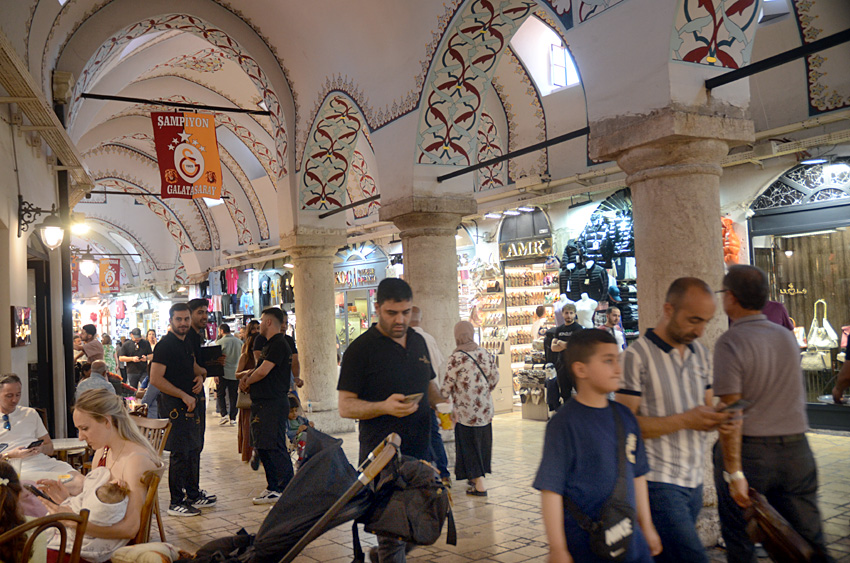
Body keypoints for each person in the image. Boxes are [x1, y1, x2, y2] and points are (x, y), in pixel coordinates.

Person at [713, 265, 831, 562]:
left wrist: (734, 472)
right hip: (797, 451)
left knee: (740, 537)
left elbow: (732, 411)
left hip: (753, 454)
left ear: (731, 297)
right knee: (809, 542)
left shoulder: (731, 341)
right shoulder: (786, 338)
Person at [616, 278, 731, 563]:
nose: (700, 330)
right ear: (668, 310)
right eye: (694, 320)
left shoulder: (701, 354)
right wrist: (685, 420)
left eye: (706, 322)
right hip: (658, 483)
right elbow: (625, 427)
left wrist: (722, 416)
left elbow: (707, 406)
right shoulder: (636, 357)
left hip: (694, 480)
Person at [338, 278, 444, 563]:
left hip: (421, 454)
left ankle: (382, 554)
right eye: (392, 313)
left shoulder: (418, 341)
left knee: (426, 518)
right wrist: (383, 407)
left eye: (406, 312)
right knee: (393, 533)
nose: (400, 320)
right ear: (377, 308)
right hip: (384, 461)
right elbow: (345, 407)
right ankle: (386, 553)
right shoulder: (360, 350)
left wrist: (442, 403)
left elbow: (429, 385)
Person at [535, 329, 662, 563]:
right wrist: (557, 548)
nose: (618, 369)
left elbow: (637, 475)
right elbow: (551, 489)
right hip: (586, 543)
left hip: (630, 540)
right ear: (581, 369)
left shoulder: (625, 417)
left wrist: (647, 525)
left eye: (617, 360)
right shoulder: (563, 424)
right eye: (608, 361)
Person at [35, 389, 160, 561]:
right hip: (89, 539)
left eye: (85, 428)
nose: (80, 437)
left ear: (107, 421)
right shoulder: (103, 452)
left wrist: (73, 521)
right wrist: (67, 499)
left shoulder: (135, 460)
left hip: (108, 550)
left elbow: (130, 529)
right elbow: (97, 507)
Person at [149, 303, 215, 517]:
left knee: (192, 449)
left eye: (186, 319)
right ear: (171, 321)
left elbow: (192, 366)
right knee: (179, 453)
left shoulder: (186, 342)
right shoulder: (165, 346)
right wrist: (182, 395)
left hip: (190, 405)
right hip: (174, 407)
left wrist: (200, 375)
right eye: (179, 319)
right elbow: (155, 379)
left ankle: (192, 494)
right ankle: (176, 502)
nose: (183, 323)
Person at [237, 307, 294, 505]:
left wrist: (247, 381)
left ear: (269, 322)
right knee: (264, 445)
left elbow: (263, 371)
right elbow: (258, 369)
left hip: (273, 403)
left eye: (262, 321)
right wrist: (248, 377)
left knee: (275, 446)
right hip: (264, 403)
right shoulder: (270, 344)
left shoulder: (278, 343)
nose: (260, 324)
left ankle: (284, 487)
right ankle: (273, 486)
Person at [441, 320, 499, 496]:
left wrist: (441, 399)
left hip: (465, 411)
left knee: (468, 445)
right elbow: (495, 377)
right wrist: (483, 392)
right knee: (482, 443)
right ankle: (474, 479)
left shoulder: (456, 358)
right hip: (485, 409)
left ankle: (480, 485)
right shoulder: (484, 353)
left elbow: (447, 386)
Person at [0, 373, 75, 482]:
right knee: (58, 484)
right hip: (17, 466)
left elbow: (50, 447)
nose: (14, 400)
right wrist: (10, 455)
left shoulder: (30, 413)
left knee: (79, 480)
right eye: (9, 396)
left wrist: (41, 449)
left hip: (43, 461)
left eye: (18, 395)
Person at [46, 467, 130, 562]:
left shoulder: (134, 465)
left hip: (80, 544)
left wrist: (70, 513)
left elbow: (130, 530)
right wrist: (67, 500)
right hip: (80, 523)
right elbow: (89, 498)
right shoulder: (100, 457)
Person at [409, 306, 450, 485]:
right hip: (433, 395)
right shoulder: (429, 338)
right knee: (433, 434)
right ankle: (443, 472)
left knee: (425, 435)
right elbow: (437, 365)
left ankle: (428, 475)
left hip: (420, 396)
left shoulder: (411, 340)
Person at [544, 302, 584, 402]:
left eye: (571, 313)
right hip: (562, 364)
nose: (569, 315)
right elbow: (553, 348)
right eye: (566, 313)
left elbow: (574, 346)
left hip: (575, 364)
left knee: (581, 392)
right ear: (562, 314)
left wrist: (560, 342)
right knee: (565, 394)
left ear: (575, 314)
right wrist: (566, 345)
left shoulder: (578, 328)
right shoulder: (559, 329)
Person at [236, 327, 259, 463]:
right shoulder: (245, 356)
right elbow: (237, 373)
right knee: (248, 426)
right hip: (248, 395)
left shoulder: (263, 358)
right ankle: (248, 454)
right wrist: (250, 372)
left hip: (259, 396)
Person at [215, 324, 242, 426]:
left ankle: (224, 415)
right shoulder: (239, 342)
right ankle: (233, 418)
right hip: (235, 372)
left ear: (222, 331)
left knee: (221, 394)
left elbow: (217, 360)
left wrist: (215, 374)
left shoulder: (220, 342)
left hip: (223, 372)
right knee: (234, 395)